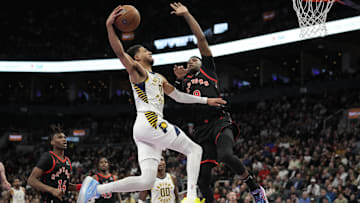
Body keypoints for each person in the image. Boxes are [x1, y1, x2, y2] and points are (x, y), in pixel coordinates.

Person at [77, 5, 227, 203]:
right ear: (137, 57)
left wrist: (206, 100)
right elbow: (121, 53)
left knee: (147, 180)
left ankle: (97, 189)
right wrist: (109, 26)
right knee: (195, 150)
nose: (149, 52)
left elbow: (179, 96)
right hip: (150, 120)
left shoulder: (160, 78)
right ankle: (191, 197)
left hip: (144, 129)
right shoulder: (138, 72)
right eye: (145, 51)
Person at [170, 2, 268, 203]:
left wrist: (187, 15)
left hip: (219, 121)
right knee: (202, 179)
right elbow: (177, 101)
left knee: (226, 156)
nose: (191, 61)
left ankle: (256, 189)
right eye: (188, 61)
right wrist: (178, 80)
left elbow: (201, 39)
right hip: (200, 129)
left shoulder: (208, 70)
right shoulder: (185, 82)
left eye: (194, 59)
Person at [27, 124, 80, 203]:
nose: (64, 139)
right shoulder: (48, 157)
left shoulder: (67, 160)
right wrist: (52, 190)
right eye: (60, 137)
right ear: (52, 142)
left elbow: (63, 184)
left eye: (65, 137)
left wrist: (81, 186)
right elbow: (31, 180)